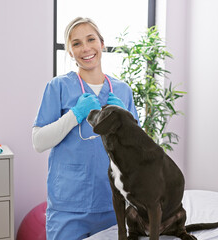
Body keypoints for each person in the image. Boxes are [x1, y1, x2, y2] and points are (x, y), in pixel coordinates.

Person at [32, 17, 139, 240]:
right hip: (69, 205)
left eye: (91, 39)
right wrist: (75, 114)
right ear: (70, 52)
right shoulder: (58, 87)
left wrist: (126, 122)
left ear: (102, 44)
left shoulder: (122, 90)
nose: (86, 48)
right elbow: (39, 141)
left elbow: (137, 151)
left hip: (113, 203)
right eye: (76, 43)